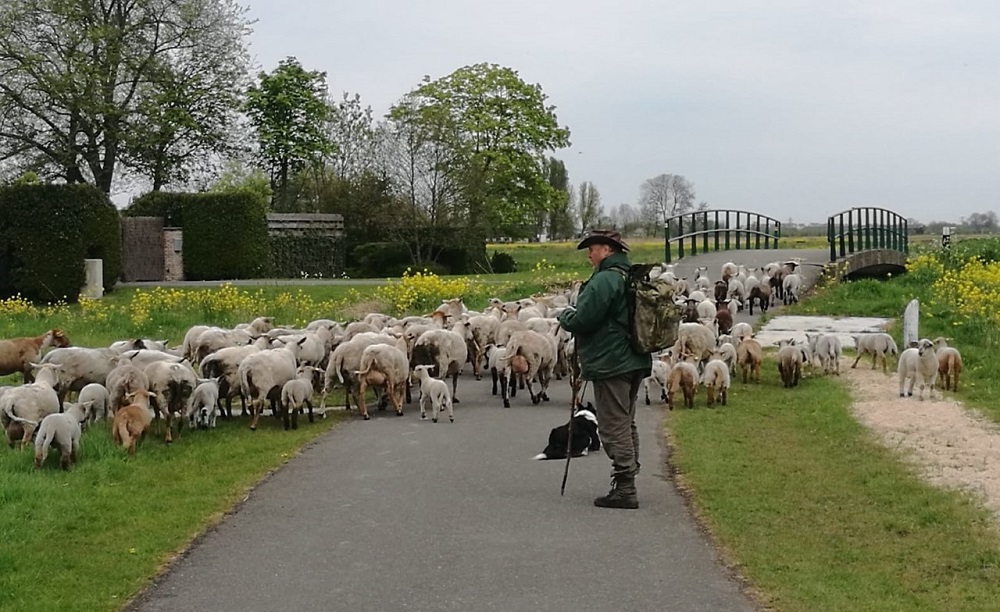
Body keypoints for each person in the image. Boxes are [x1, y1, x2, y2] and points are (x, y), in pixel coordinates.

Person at [557, 229, 652, 509]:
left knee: (613, 424)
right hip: (634, 358)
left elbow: (584, 320)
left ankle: (625, 488)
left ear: (607, 250)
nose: (589, 255)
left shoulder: (605, 280)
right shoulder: (629, 275)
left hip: (612, 361)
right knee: (626, 420)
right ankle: (628, 476)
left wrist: (566, 315)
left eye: (593, 249)